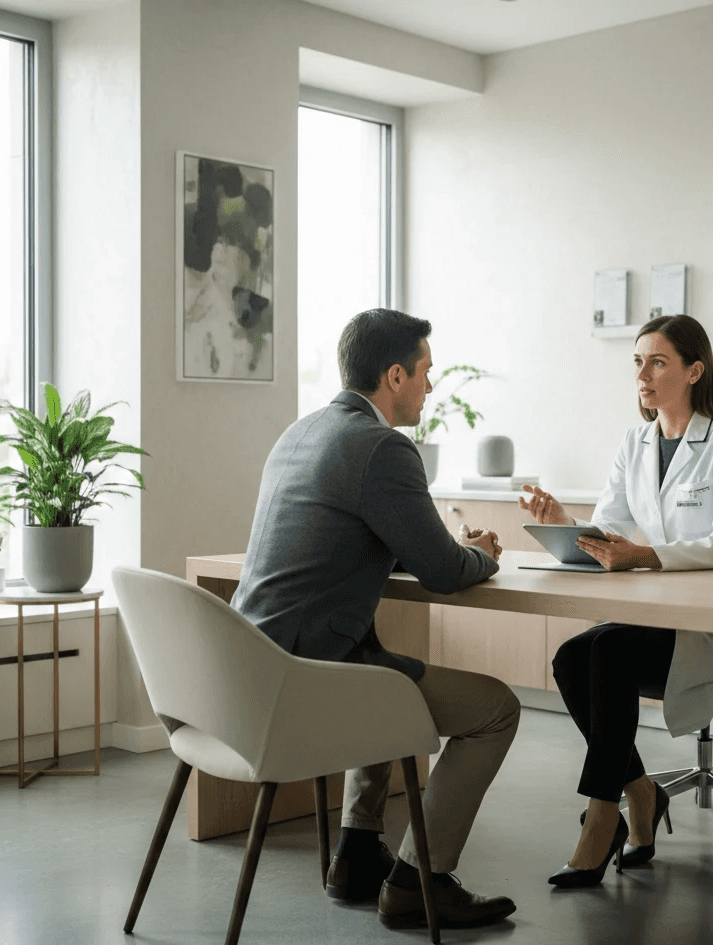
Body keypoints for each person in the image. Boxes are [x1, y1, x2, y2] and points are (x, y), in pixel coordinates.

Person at [232, 308, 520, 929]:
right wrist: (485, 555)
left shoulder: (300, 433)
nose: (429, 385)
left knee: (380, 657)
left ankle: (358, 852)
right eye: (424, 372)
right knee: (496, 709)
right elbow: (444, 571)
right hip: (303, 684)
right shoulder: (383, 447)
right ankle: (420, 881)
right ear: (395, 376)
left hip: (246, 672)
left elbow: (354, 539)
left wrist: (433, 546)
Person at [518, 314, 713, 888]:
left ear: (694, 371)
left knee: (609, 651)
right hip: (654, 619)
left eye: (657, 362)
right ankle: (640, 792)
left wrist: (648, 557)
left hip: (711, 625)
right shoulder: (636, 442)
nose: (643, 376)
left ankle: (603, 819)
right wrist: (567, 525)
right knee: (573, 658)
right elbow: (611, 529)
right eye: (637, 363)